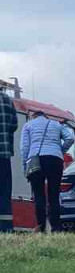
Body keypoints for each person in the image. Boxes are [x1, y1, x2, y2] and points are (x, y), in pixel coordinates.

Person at [21, 110, 75, 233]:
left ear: (32, 117)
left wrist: (25, 167)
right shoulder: (56, 124)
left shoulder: (28, 125)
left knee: (39, 195)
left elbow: (24, 148)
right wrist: (59, 150)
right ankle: (55, 228)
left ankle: (41, 227)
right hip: (55, 160)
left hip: (36, 159)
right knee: (54, 195)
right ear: (45, 116)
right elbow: (70, 138)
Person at [0, 88, 17, 233]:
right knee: (4, 193)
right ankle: (5, 229)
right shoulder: (7, 100)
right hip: (4, 155)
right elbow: (14, 125)